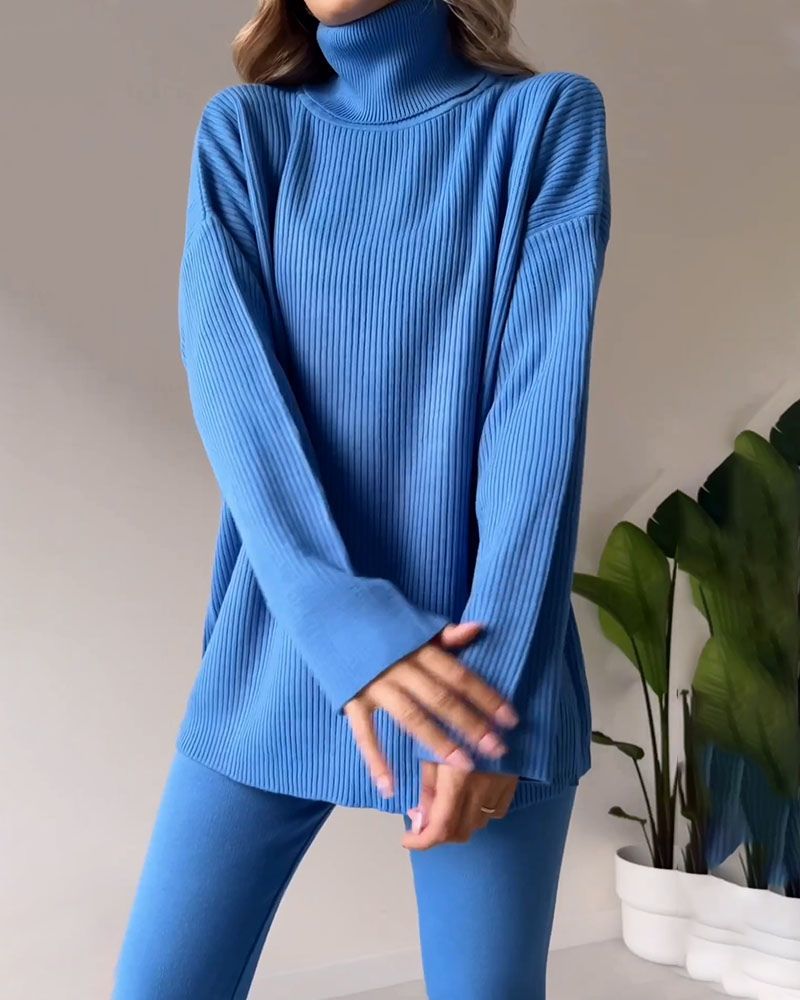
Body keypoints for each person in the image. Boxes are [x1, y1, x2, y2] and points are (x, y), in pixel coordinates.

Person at [112, 0, 611, 996]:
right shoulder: (247, 132)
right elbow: (239, 410)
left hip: (481, 666)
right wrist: (345, 624)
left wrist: (492, 700)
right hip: (283, 642)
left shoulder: (542, 121)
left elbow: (536, 428)